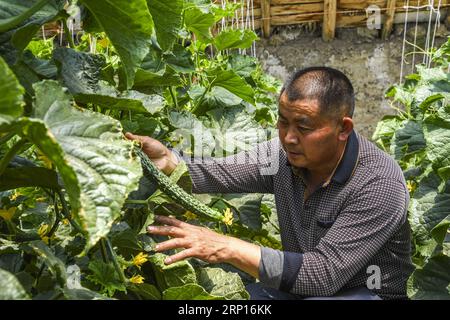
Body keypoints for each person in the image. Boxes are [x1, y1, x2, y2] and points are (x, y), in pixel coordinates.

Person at [125, 67, 414, 300]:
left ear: (343, 128)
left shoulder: (379, 184)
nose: (288, 137)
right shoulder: (282, 156)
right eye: (283, 122)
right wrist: (168, 161)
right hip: (300, 285)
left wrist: (226, 247)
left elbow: (322, 274)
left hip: (364, 292)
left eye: (303, 127)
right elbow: (220, 172)